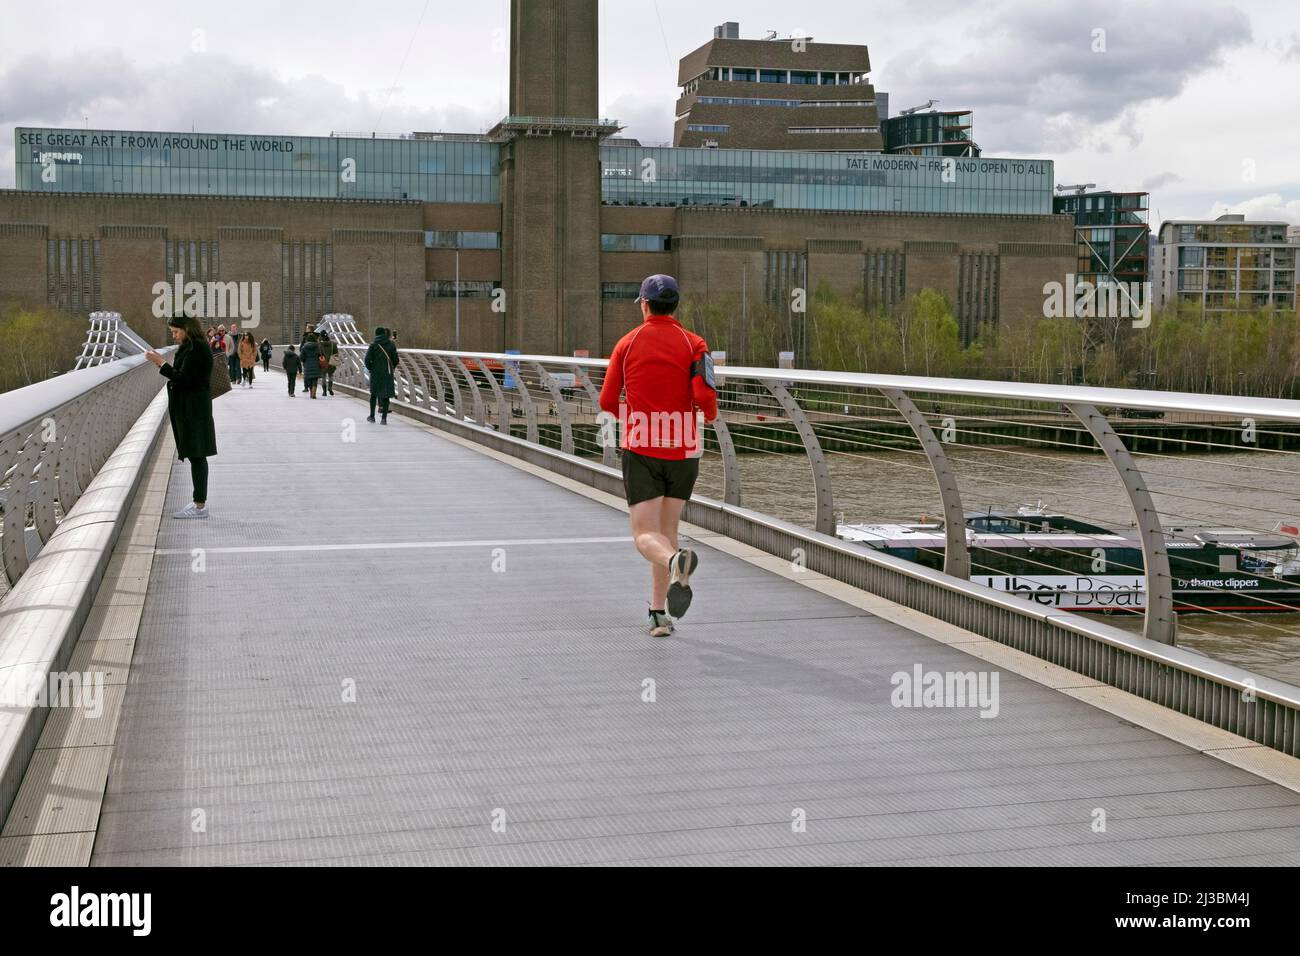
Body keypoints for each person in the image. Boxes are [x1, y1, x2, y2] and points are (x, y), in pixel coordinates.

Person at [598, 274, 717, 638]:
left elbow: (606, 401)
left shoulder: (628, 343)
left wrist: (635, 416)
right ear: (676, 305)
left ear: (645, 305)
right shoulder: (695, 343)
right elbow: (706, 399)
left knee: (645, 535)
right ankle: (657, 614)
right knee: (668, 531)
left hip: (642, 448)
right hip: (684, 450)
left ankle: (672, 562)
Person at [146, 315, 217, 519]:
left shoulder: (197, 349)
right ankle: (199, 503)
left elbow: (184, 378)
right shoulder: (192, 346)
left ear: (186, 329)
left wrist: (161, 363)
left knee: (197, 454)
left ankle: (200, 506)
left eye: (176, 332)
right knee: (196, 454)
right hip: (192, 407)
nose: (174, 336)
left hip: (194, 408)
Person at [365, 326, 400, 424]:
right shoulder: (391, 344)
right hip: (387, 372)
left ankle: (372, 417)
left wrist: (371, 368)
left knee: (373, 394)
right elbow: (396, 360)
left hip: (375, 373)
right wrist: (391, 367)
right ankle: (384, 419)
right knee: (386, 395)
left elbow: (367, 360)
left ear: (376, 334)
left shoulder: (373, 345)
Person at [300, 333, 323, 399]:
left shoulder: (304, 346)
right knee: (315, 380)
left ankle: (311, 394)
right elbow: (320, 355)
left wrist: (304, 360)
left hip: (307, 365)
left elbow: (301, 357)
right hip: (316, 364)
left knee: (309, 380)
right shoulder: (317, 346)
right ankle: (314, 394)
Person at [318, 331, 336, 396]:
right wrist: (334, 364)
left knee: (323, 377)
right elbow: (335, 354)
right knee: (330, 376)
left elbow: (318, 354)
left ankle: (324, 391)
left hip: (323, 362)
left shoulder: (319, 344)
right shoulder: (333, 344)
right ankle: (330, 388)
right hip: (331, 362)